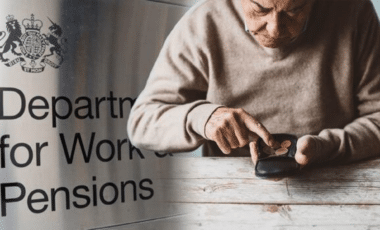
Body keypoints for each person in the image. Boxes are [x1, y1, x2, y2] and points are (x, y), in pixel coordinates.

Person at [127, 0, 380, 167]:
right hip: (231, 195)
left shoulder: (354, 12)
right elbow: (142, 122)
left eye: (294, 10)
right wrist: (203, 117)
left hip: (339, 179)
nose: (275, 29)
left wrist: (329, 147)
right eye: (260, 9)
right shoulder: (203, 23)